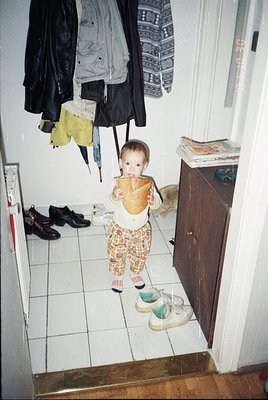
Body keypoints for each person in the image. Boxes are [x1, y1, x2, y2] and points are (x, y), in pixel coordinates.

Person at [104, 139, 162, 293]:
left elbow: (158, 204)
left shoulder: (148, 184)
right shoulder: (116, 183)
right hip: (120, 229)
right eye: (128, 163)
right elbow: (107, 206)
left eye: (137, 165)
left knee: (140, 253)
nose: (132, 169)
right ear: (120, 163)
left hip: (141, 230)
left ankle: (135, 272)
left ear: (145, 166)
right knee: (117, 252)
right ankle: (118, 274)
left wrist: (153, 200)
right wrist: (114, 197)